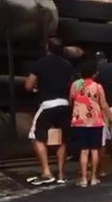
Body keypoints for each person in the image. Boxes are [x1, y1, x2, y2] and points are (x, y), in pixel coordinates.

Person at [24, 38, 75, 185]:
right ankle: (61, 174)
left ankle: (46, 172)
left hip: (48, 104)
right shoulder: (68, 65)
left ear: (48, 48)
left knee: (36, 137)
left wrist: (36, 88)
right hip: (64, 104)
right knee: (63, 140)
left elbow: (28, 85)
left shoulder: (41, 63)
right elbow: (71, 86)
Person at [70, 60, 112, 188]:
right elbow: (104, 104)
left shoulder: (75, 85)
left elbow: (70, 100)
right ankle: (94, 177)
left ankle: (83, 179)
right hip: (95, 121)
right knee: (94, 150)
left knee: (84, 151)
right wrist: (111, 119)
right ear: (95, 74)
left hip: (80, 121)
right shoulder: (98, 87)